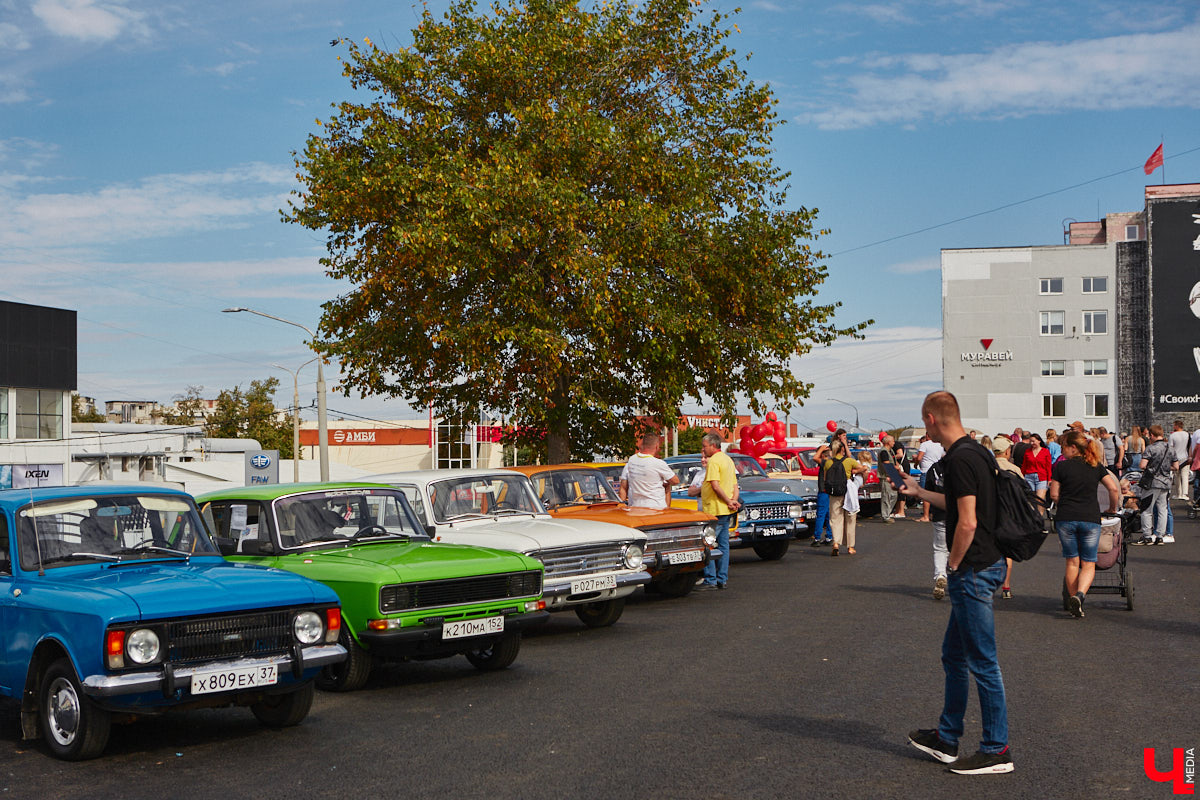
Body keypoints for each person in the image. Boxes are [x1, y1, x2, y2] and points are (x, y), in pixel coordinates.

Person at [903, 391, 1013, 775]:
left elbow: (967, 521)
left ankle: (996, 749)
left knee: (983, 663)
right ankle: (947, 738)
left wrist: (951, 565)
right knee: (954, 656)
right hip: (985, 565)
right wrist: (919, 492)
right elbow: (966, 503)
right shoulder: (975, 452)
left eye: (924, 422)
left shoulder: (961, 459)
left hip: (973, 570)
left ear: (931, 419)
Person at [1049, 430, 1120, 619]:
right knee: (1088, 563)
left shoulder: (1060, 468)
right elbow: (1113, 488)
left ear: (1073, 448)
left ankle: (1073, 600)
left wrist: (1064, 502)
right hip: (1090, 518)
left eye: (1064, 446)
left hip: (1066, 517)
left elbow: (1054, 494)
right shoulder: (1095, 466)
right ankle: (1080, 595)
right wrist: (1113, 508)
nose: (1062, 450)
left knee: (1072, 562)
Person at [696, 433, 740, 590]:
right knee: (723, 545)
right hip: (726, 510)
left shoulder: (714, 461)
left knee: (707, 544)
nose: (703, 449)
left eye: (705, 446)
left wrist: (728, 501)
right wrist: (733, 500)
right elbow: (734, 485)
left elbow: (714, 485)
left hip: (714, 508)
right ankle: (722, 578)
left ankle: (710, 579)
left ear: (713, 446)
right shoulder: (728, 460)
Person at [991, 436, 1022, 600]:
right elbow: (1023, 493)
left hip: (990, 513)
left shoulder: (987, 468)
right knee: (1007, 552)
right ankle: (1006, 586)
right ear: (1007, 451)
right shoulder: (1014, 469)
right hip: (1009, 514)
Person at [822, 439, 866, 556]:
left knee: (835, 518)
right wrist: (854, 471)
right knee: (850, 518)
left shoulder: (828, 463)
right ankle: (850, 547)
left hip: (834, 492)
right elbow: (864, 468)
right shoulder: (849, 461)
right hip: (848, 491)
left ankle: (836, 543)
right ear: (842, 449)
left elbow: (826, 479)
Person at [1134, 424, 1173, 546]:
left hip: (1152, 483)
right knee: (1163, 509)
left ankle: (1147, 536)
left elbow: (1142, 465)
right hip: (1165, 483)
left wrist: (1153, 467)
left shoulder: (1150, 448)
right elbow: (1176, 466)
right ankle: (1160, 536)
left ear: (1151, 435)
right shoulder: (1170, 448)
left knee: (1147, 509)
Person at [619, 433, 679, 509]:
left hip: (635, 507)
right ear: (657, 446)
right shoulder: (658, 463)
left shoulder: (631, 460)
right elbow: (675, 481)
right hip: (655, 508)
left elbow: (624, 485)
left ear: (642, 444)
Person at [924, 457, 948, 599]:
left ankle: (940, 574)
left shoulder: (934, 469)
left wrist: (927, 514)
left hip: (939, 512)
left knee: (940, 548)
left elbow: (928, 494)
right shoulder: (962, 467)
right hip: (960, 513)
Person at [916, 435, 946, 523]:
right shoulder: (940, 444)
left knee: (926, 494)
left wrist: (916, 464)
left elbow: (919, 457)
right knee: (937, 492)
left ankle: (926, 516)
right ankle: (933, 514)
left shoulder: (925, 444)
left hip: (926, 470)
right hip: (938, 471)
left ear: (927, 436)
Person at [810, 443, 833, 547]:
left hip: (823, 491)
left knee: (820, 515)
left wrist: (821, 449)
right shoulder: (833, 462)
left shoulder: (825, 462)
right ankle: (829, 536)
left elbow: (815, 458)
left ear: (823, 455)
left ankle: (817, 537)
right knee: (829, 515)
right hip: (831, 492)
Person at [1020, 433, 1051, 501]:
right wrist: (1022, 477)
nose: (1032, 443)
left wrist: (1049, 479)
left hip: (1041, 477)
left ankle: (1040, 512)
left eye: (1033, 441)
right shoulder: (1027, 452)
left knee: (1040, 498)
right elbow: (1024, 466)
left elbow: (1048, 466)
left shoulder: (1045, 451)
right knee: (1031, 499)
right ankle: (1032, 511)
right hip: (1029, 477)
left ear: (1039, 441)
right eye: (1030, 441)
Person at [878, 435, 899, 524]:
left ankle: (888, 512)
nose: (894, 443)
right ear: (888, 442)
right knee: (886, 496)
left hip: (893, 475)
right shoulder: (884, 452)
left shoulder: (890, 451)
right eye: (893, 441)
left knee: (894, 495)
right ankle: (885, 516)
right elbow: (887, 465)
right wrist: (896, 468)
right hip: (886, 476)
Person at [1168, 420, 1191, 501]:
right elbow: (1189, 446)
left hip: (1176, 458)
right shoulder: (1187, 434)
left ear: (1177, 426)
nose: (1173, 427)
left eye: (1174, 425)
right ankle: (1185, 494)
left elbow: (1170, 448)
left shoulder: (1172, 435)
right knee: (1185, 476)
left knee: (1177, 476)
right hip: (1185, 457)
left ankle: (1179, 493)